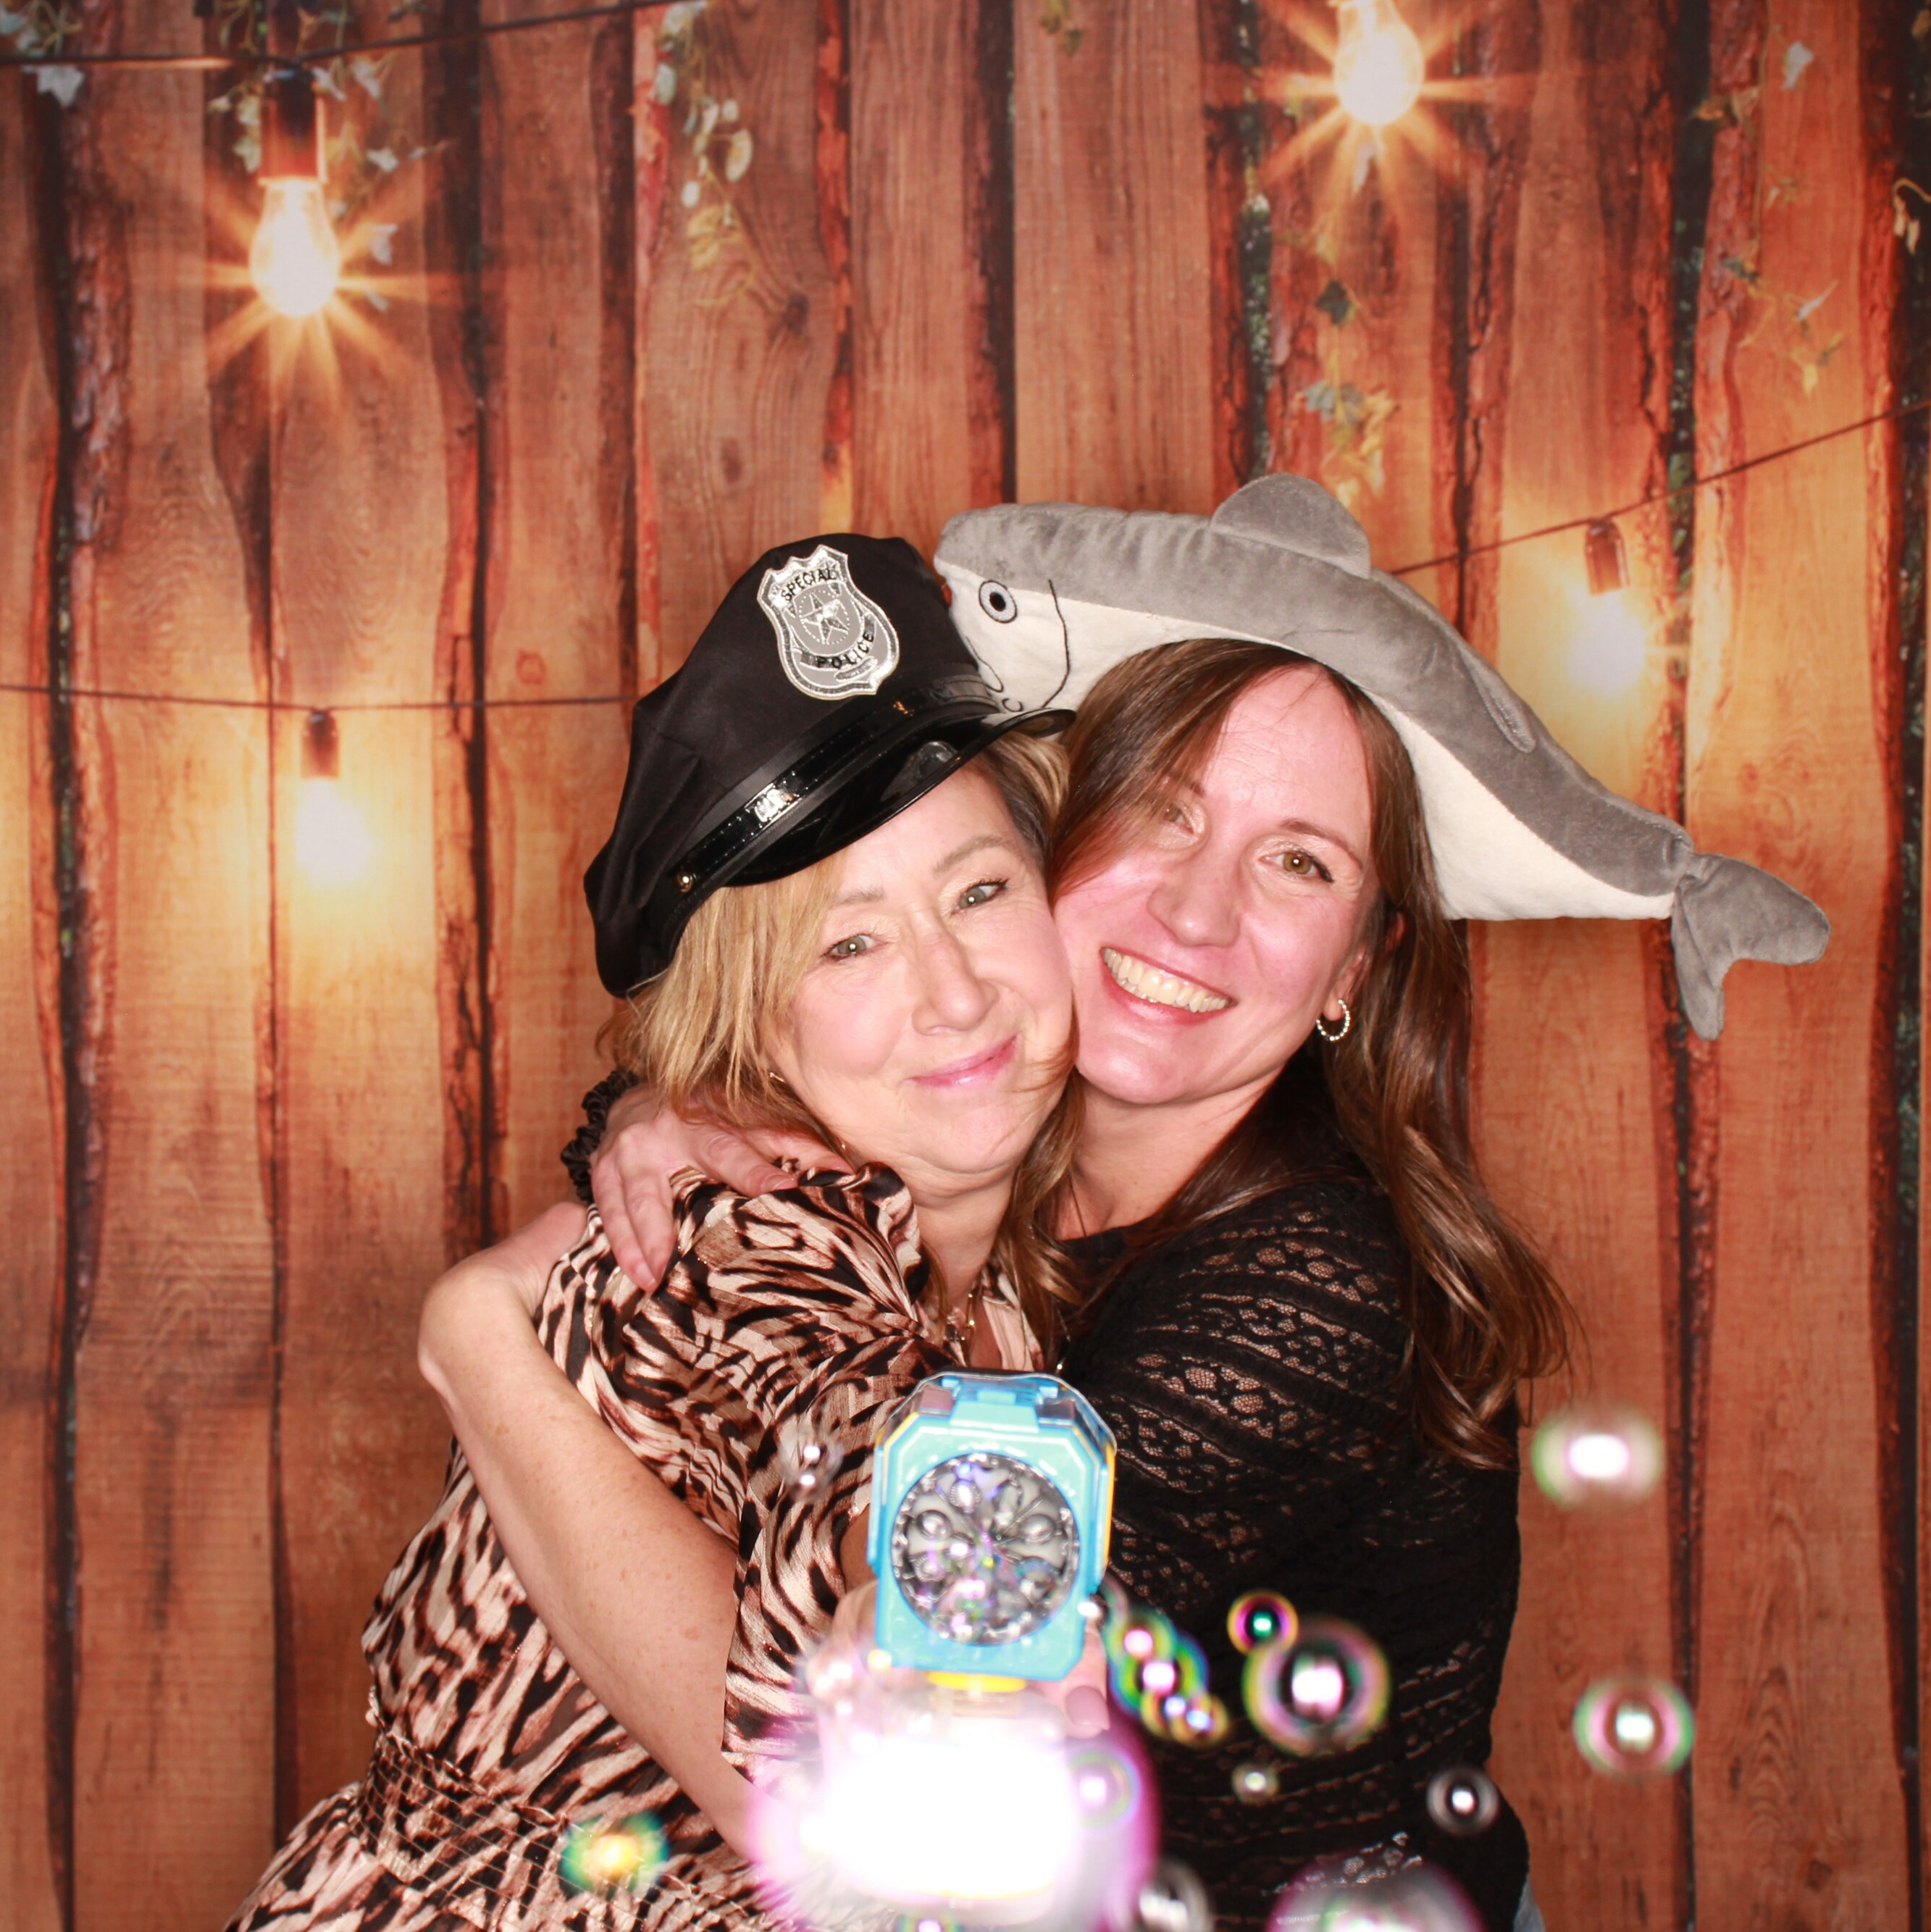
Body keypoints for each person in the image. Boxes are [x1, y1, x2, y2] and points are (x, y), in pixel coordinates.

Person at [422, 635, 1569, 1932]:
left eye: (1301, 862)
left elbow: (857, 1797)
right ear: (1057, 845)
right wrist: (663, 1106)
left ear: (1356, 966)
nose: (1197, 914)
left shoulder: (1315, 1293)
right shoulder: (994, 1138)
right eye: (1163, 813)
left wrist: (476, 1339)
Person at [226, 533, 1078, 1931]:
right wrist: (930, 1598)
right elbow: (826, 1417)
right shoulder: (749, 1243)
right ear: (754, 1028)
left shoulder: (1027, 1255)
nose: (955, 992)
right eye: (849, 944)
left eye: (980, 892)